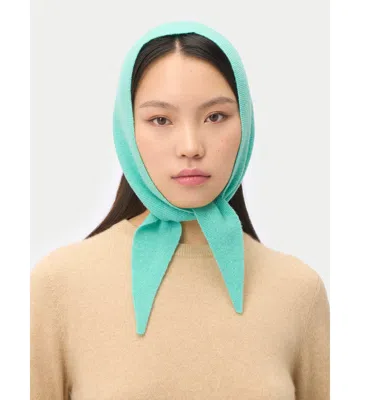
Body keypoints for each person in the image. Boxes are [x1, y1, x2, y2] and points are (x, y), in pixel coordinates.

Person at [30, 21, 330, 400]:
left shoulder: (299, 292)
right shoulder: (58, 286)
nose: (190, 146)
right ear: (128, 129)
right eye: (160, 120)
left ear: (246, 122)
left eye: (215, 116)